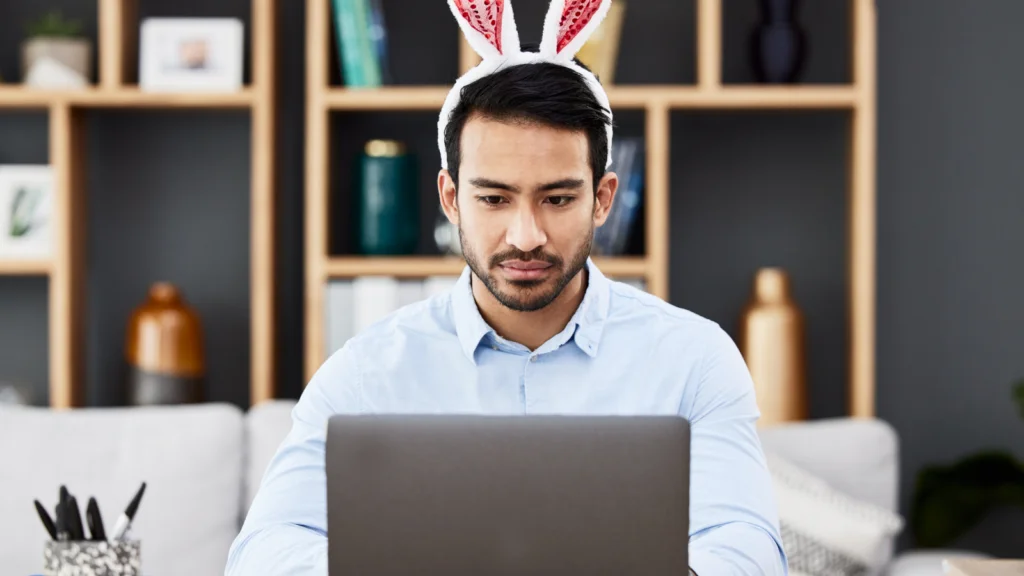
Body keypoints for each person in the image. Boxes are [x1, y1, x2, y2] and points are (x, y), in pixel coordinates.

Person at [226, 1, 787, 574]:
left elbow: (748, 549)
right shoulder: (369, 373)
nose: (526, 236)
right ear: (451, 199)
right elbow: (262, 553)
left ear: (602, 199)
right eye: (494, 199)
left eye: (558, 198)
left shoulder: (694, 359)